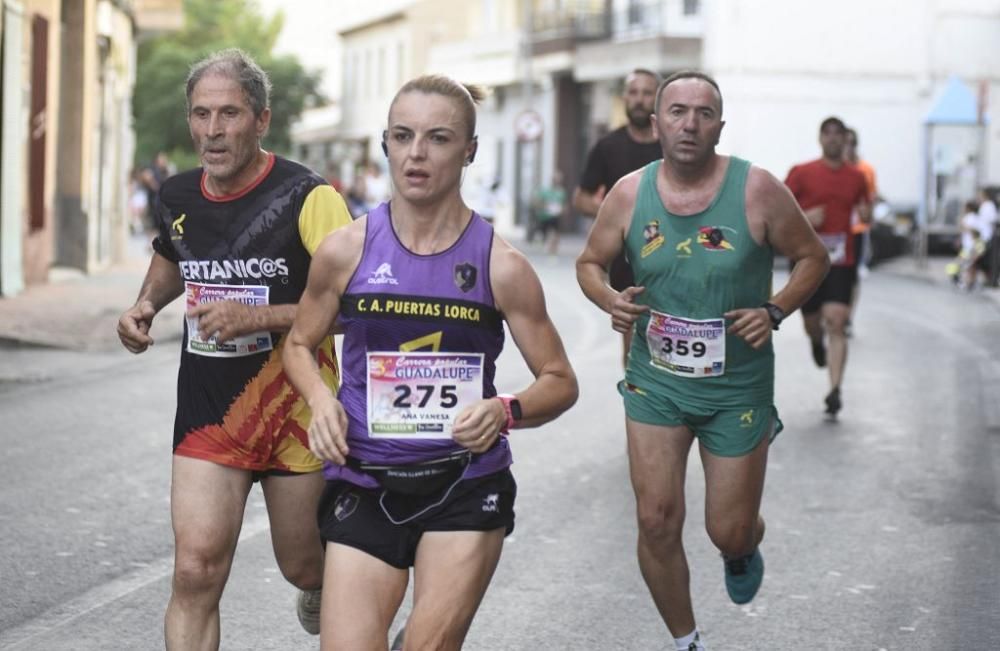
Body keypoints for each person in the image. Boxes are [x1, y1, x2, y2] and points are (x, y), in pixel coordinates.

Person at [283, 74, 578, 651]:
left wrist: (505, 409)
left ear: (469, 150)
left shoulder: (501, 264)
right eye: (402, 136)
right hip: (365, 480)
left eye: (438, 139)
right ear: (385, 143)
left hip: (465, 484)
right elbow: (298, 343)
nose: (416, 153)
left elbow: (561, 381)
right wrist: (320, 401)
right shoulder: (345, 250)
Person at [576, 71, 828, 651]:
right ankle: (686, 640)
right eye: (677, 111)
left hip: (736, 387)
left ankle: (743, 548)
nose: (690, 124)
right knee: (656, 519)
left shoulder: (757, 190)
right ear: (657, 122)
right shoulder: (627, 193)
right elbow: (590, 263)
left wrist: (773, 309)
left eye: (704, 113)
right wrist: (610, 298)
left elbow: (811, 257)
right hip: (655, 382)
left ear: (720, 124)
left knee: (728, 529)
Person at [116, 49, 353, 649]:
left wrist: (260, 316)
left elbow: (357, 309)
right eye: (202, 115)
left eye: (229, 114)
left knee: (304, 564)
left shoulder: (309, 196)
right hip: (210, 412)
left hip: (298, 412)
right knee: (195, 569)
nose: (213, 131)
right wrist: (145, 307)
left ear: (261, 119)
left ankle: (338, 592)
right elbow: (172, 263)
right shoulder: (176, 196)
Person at [574, 68, 663, 367]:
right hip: (628, 255)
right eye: (633, 93)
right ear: (624, 98)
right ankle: (638, 396)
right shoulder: (608, 146)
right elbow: (582, 198)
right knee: (634, 335)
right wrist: (616, 218)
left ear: (658, 98)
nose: (639, 100)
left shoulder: (673, 145)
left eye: (647, 93)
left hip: (677, 246)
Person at [785, 116, 870, 418]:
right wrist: (806, 216)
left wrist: (865, 212)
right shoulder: (802, 172)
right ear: (820, 138)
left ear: (845, 140)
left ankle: (835, 390)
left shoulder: (856, 177)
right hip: (807, 258)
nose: (833, 139)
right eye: (828, 134)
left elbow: (864, 209)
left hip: (840, 259)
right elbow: (781, 211)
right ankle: (815, 341)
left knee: (837, 320)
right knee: (813, 323)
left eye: (839, 135)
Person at [843, 127, 877, 331]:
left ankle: (848, 317)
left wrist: (867, 215)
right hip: (834, 232)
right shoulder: (834, 169)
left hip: (857, 230)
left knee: (852, 275)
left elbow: (870, 201)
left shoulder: (865, 170)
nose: (846, 147)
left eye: (850, 143)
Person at [533, 170, 567, 255]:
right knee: (544, 234)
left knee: (555, 233)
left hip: (555, 216)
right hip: (545, 216)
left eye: (559, 179)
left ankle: (553, 251)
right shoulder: (546, 191)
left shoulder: (561, 192)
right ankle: (542, 242)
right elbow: (538, 202)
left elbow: (564, 204)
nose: (557, 181)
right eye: (555, 179)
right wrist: (544, 207)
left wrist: (562, 210)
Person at [971, 187, 998, 287]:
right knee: (978, 258)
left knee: (980, 258)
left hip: (986, 237)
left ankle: (986, 279)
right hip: (981, 237)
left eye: (980, 195)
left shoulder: (989, 205)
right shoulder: (983, 206)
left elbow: (992, 219)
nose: (978, 197)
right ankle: (977, 279)